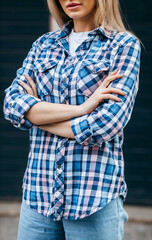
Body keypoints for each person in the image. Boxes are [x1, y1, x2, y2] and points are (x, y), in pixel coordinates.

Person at [3, 0, 142, 239]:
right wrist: (83, 108)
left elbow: (104, 125)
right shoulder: (43, 45)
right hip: (39, 197)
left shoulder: (123, 46)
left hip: (93, 200)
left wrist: (37, 114)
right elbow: (12, 105)